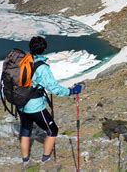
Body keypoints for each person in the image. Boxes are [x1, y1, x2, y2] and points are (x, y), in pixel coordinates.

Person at [18, 36, 83, 169]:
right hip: (35, 106)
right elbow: (54, 89)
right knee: (52, 130)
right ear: (44, 49)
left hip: (21, 103)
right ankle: (45, 160)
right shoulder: (42, 67)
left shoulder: (23, 61)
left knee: (25, 129)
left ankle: (25, 161)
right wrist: (72, 91)